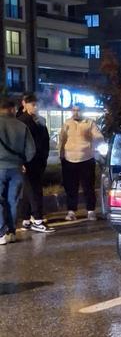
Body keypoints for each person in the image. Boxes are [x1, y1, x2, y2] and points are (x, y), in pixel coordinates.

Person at [59, 103, 104, 221]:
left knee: (88, 186)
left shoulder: (90, 123)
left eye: (78, 110)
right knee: (70, 187)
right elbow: (62, 139)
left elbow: (98, 136)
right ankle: (71, 211)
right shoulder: (67, 123)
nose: (75, 112)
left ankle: (91, 211)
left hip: (86, 159)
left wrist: (96, 139)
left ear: (83, 111)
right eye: (73, 110)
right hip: (69, 159)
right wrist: (61, 154)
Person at [0, 96, 36, 245]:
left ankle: (1, 233)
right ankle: (11, 232)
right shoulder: (22, 126)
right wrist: (22, 161)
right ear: (12, 109)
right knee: (12, 201)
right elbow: (31, 150)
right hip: (17, 169)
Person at [17, 94, 55, 233]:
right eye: (33, 104)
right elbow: (19, 143)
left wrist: (45, 157)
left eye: (37, 104)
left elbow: (45, 140)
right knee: (34, 190)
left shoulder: (40, 120)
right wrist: (21, 162)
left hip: (39, 161)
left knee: (29, 191)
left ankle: (26, 219)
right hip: (28, 161)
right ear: (25, 104)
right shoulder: (21, 121)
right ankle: (38, 220)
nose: (36, 107)